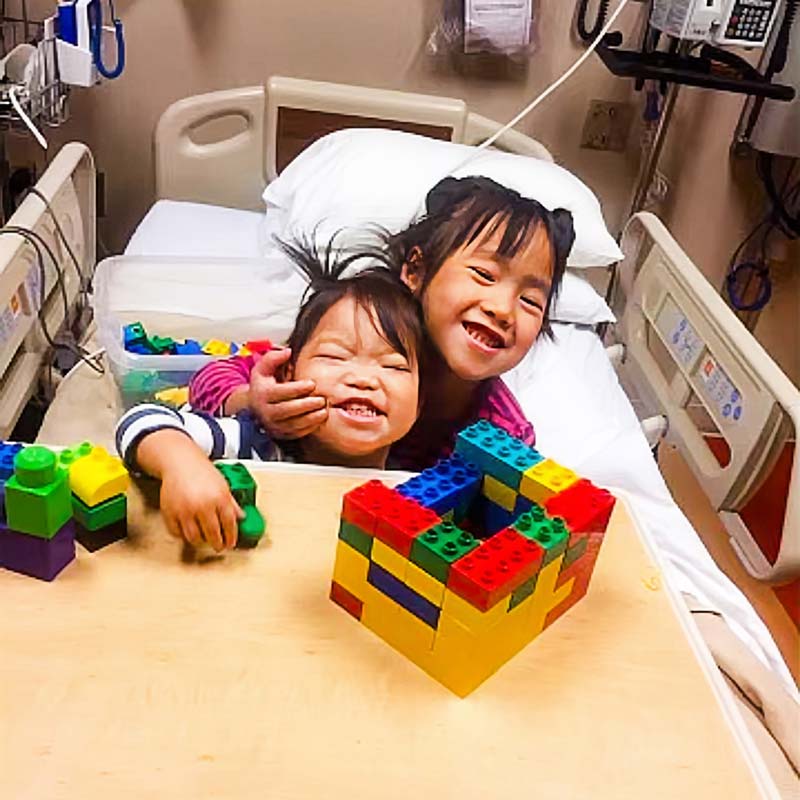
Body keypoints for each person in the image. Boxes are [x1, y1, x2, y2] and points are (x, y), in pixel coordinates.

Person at [189, 175, 575, 469]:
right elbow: (210, 379)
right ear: (416, 269)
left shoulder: (505, 436)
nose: (503, 309)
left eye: (530, 300)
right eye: (484, 275)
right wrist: (254, 403)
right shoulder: (355, 337)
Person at [115, 240, 425, 551]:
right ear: (286, 375)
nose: (363, 379)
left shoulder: (410, 482)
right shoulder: (256, 444)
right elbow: (142, 418)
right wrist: (182, 465)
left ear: (420, 402)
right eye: (334, 357)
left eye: (393, 366)